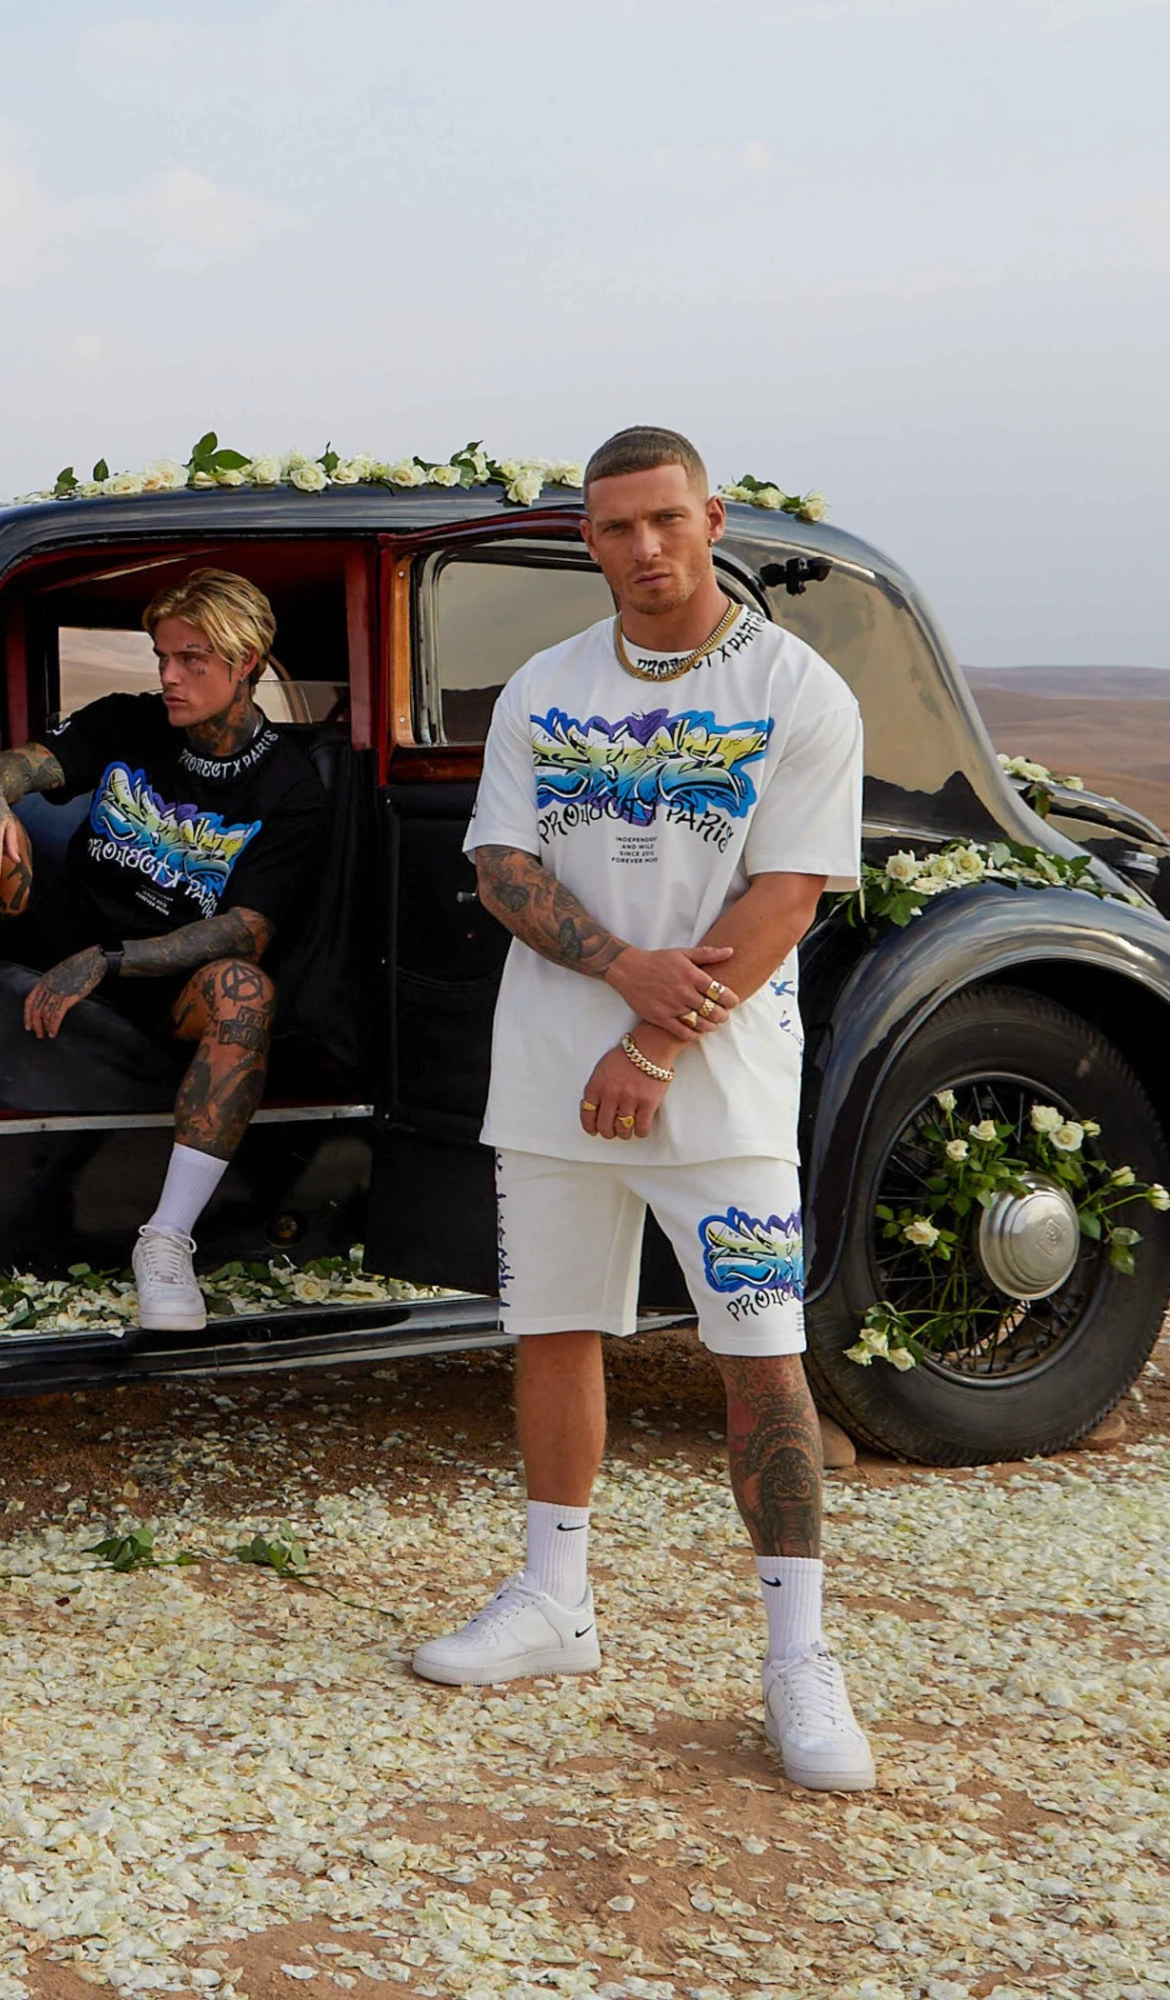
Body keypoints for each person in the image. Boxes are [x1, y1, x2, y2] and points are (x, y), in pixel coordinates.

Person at [411, 427, 875, 1793]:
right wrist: (621, 972)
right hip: (549, 1071)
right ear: (588, 540)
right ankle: (555, 1599)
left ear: (712, 518)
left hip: (722, 1090)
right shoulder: (546, 685)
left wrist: (656, 1044)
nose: (645, 547)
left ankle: (798, 1657)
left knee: (760, 1354)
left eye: (667, 518)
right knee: (554, 1329)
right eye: (616, 527)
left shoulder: (797, 690)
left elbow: (786, 896)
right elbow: (502, 865)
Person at [0, 568, 328, 1332]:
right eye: (162, 657)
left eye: (192, 659)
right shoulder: (130, 720)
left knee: (245, 991)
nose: (169, 676)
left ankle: (166, 1242)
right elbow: (18, 764)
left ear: (246, 662)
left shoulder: (291, 787)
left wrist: (112, 960)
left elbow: (244, 930)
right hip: (67, 923)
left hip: (167, 976)